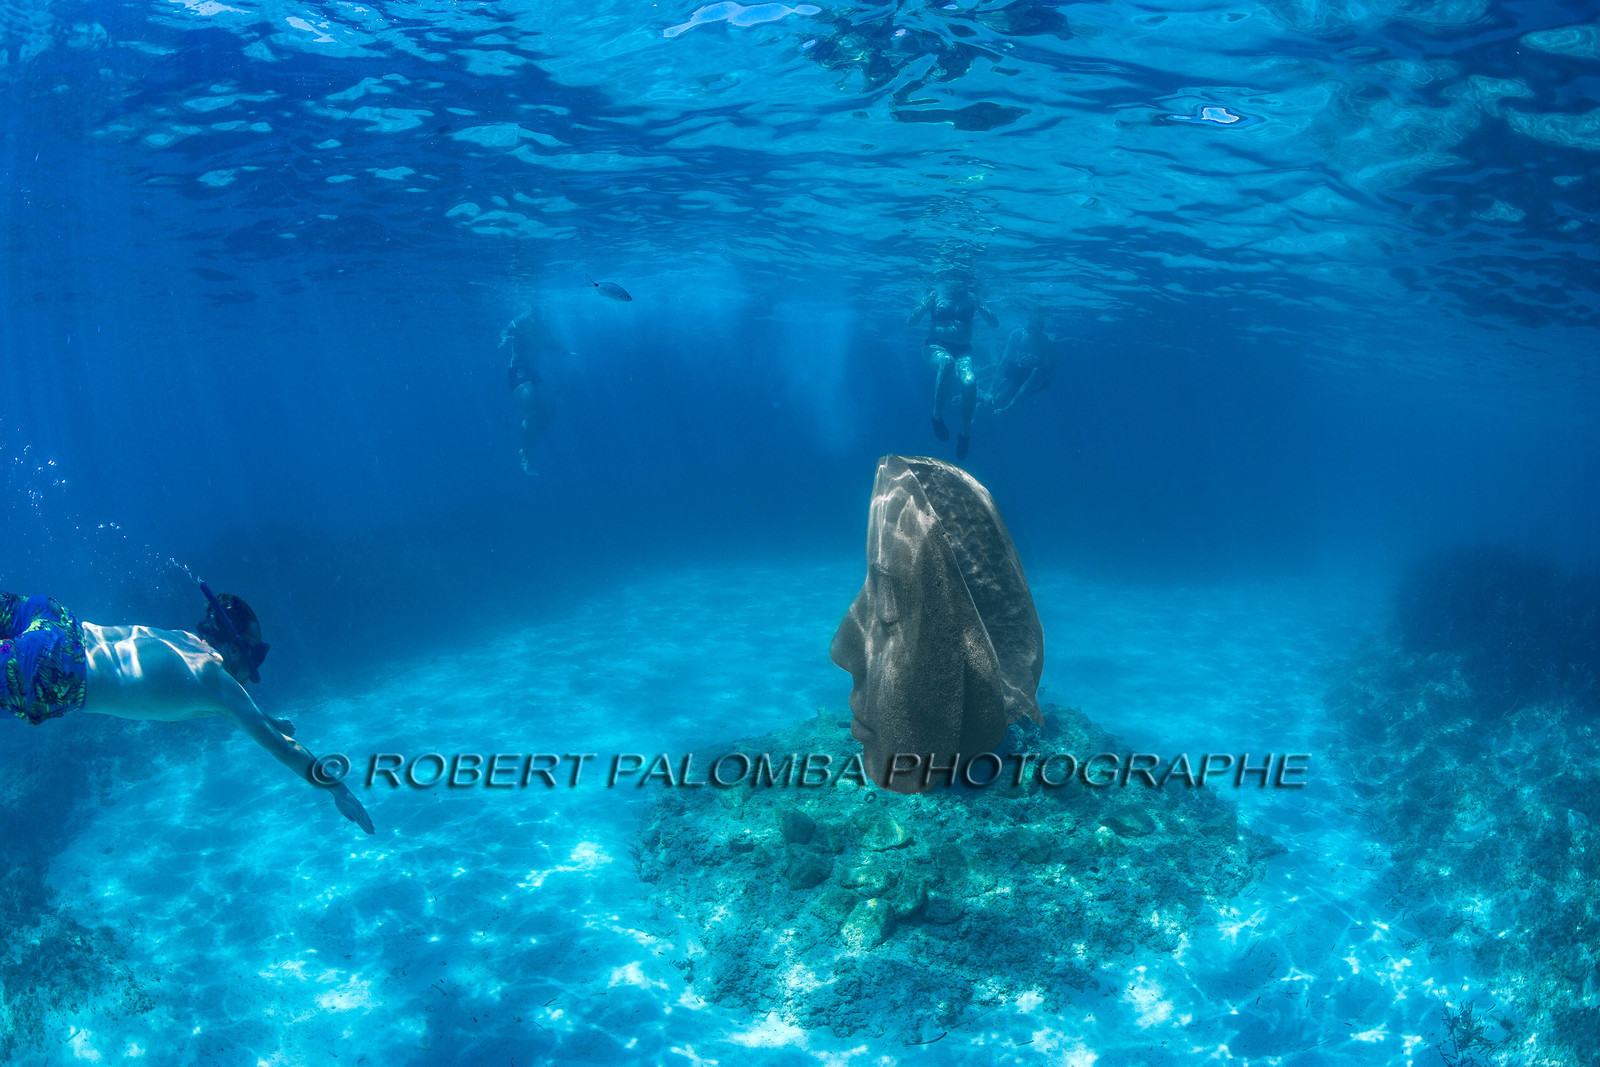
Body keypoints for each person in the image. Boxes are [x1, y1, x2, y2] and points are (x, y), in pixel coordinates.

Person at [1, 591, 374, 834]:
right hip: (55, 669)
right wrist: (338, 790)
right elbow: (284, 748)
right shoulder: (216, 682)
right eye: (251, 657)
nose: (250, 673)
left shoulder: (184, 641)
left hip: (56, 620)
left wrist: (265, 719)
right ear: (231, 645)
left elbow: (216, 706)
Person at [908, 276, 997, 461]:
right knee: (946, 362)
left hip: (963, 351)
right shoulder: (935, 293)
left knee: (970, 382)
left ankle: (964, 436)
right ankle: (937, 416)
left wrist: (980, 305)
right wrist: (926, 304)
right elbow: (910, 321)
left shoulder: (973, 295)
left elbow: (994, 323)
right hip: (935, 347)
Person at [504, 311, 555, 476]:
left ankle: (528, 446)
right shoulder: (521, 320)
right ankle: (525, 456)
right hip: (518, 372)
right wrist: (504, 338)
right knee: (532, 414)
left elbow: (550, 342)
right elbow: (506, 330)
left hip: (532, 372)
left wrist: (566, 352)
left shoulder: (543, 324)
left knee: (548, 413)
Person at [990, 311, 1056, 413]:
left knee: (1036, 372)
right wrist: (991, 389)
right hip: (1018, 370)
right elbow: (1004, 361)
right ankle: (985, 397)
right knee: (998, 395)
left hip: (1034, 376)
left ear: (1040, 327)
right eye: (1029, 324)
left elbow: (1049, 371)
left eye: (1034, 325)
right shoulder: (1017, 335)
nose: (1030, 328)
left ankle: (1009, 405)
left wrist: (1038, 362)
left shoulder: (1047, 341)